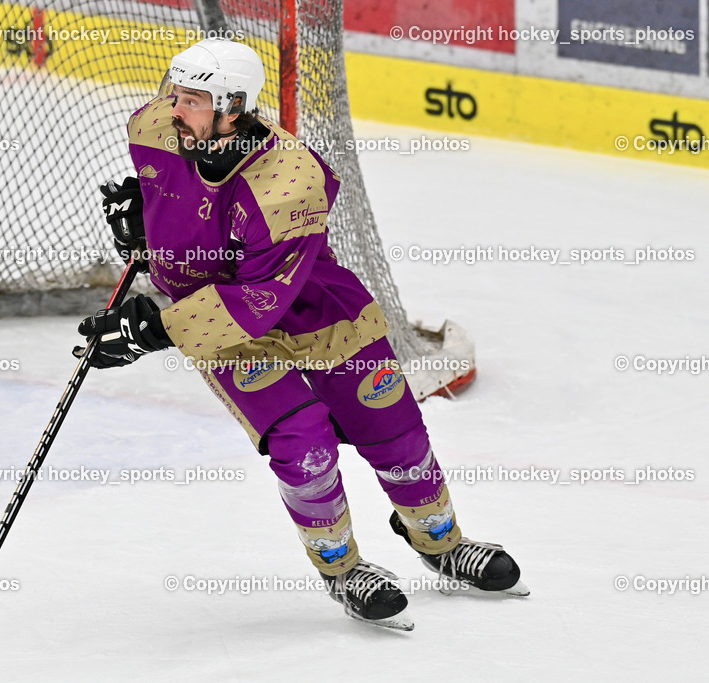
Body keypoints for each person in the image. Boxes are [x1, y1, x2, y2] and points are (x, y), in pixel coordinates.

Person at [76, 38, 527, 629]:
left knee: (392, 427)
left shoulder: (288, 182)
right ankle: (343, 568)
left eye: (193, 100)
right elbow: (173, 191)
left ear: (233, 107)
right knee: (303, 443)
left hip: (308, 306)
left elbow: (260, 298)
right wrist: (150, 215)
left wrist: (154, 329)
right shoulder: (154, 126)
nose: (174, 108)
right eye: (175, 92)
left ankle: (441, 543)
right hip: (227, 328)